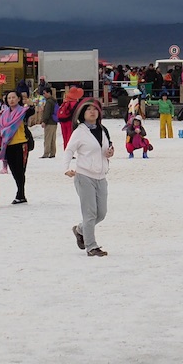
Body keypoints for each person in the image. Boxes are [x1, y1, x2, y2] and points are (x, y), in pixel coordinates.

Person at [62, 97, 114, 257]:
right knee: (90, 213)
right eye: (88, 109)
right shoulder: (79, 132)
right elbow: (69, 150)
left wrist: (110, 152)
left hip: (101, 176)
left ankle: (80, 230)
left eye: (95, 109)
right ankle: (91, 246)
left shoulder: (103, 130)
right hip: (84, 176)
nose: (92, 112)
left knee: (101, 213)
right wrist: (66, 168)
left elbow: (107, 147)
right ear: (82, 113)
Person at [0, 89, 34, 203]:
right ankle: (20, 193)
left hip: (21, 144)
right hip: (8, 145)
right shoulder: (4, 114)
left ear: (19, 99)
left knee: (20, 170)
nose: (11, 100)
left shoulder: (23, 112)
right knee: (14, 170)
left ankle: (20, 194)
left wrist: (31, 104)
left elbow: (31, 111)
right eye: (9, 98)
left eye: (13, 97)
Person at [39, 87, 59, 157]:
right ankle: (53, 152)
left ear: (49, 93)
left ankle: (46, 153)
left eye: (44, 93)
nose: (43, 95)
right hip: (54, 122)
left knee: (47, 138)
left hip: (49, 122)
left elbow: (47, 113)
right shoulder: (54, 101)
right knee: (53, 139)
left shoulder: (48, 102)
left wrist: (44, 121)